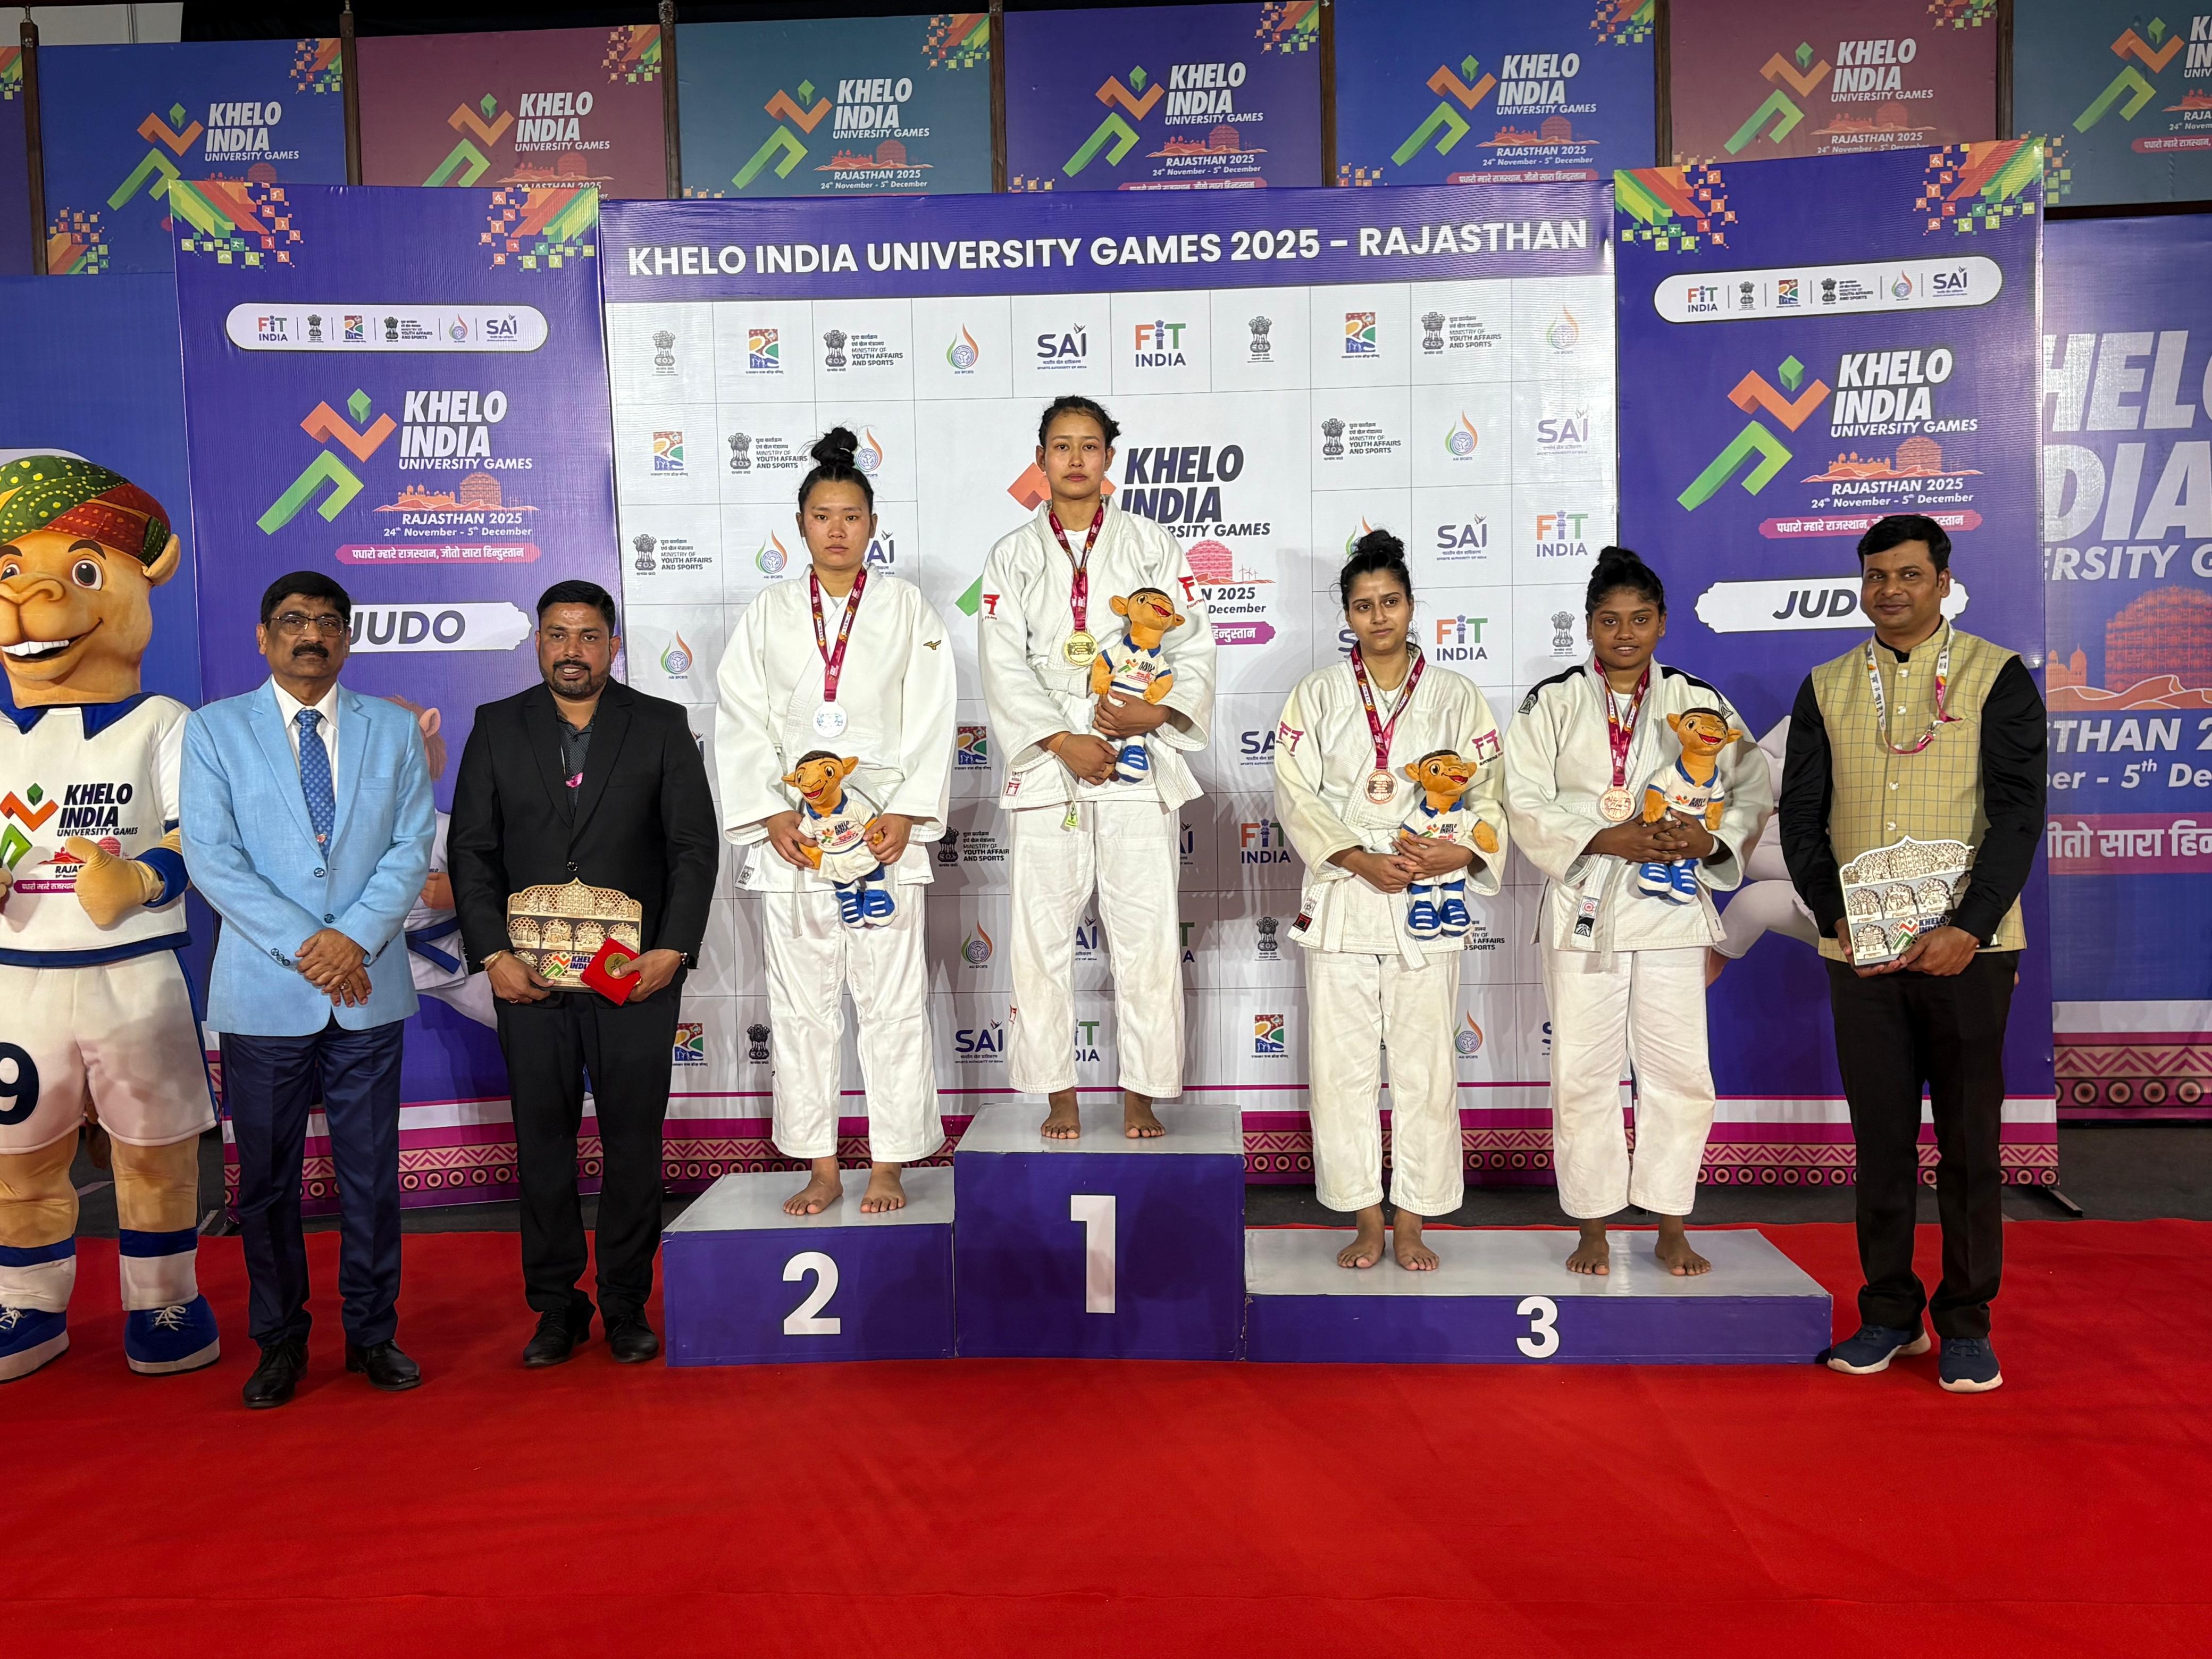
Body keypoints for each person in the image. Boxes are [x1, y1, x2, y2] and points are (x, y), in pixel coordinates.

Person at [1781, 514, 2044, 1394]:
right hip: (1861, 952)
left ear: (1943, 583)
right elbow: (1802, 817)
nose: (1889, 590)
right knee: (1883, 1142)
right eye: (1875, 575)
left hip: (1970, 948)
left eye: (1908, 575)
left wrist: (1970, 924)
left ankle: (1966, 1321)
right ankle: (1891, 1313)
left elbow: (2018, 813)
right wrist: (1836, 918)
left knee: (1969, 1144)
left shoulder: (1997, 675)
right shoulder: (1825, 685)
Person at [181, 571, 435, 1409]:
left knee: (371, 1178)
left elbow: (409, 849)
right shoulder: (216, 730)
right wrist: (311, 946)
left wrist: (351, 939)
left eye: (328, 622)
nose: (311, 635)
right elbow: (212, 857)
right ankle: (280, 1342)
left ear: (348, 639)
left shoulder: (392, 730)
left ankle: (373, 1335)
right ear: (264, 637)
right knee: (265, 1184)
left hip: (368, 986)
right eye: (293, 621)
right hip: (264, 992)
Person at [448, 580, 717, 1369]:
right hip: (529, 978)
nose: (573, 650)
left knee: (633, 1144)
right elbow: (472, 852)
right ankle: (556, 1308)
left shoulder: (661, 725)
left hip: (633, 976)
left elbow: (693, 848)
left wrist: (674, 949)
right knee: (544, 1146)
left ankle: (626, 1303)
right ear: (539, 642)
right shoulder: (496, 726)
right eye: (559, 635)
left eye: (589, 636)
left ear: (613, 645)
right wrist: (492, 955)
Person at [0, 456, 216, 1382]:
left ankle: (166, 1298)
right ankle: (27, 1303)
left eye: (82, 571)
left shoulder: (162, 721)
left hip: (135, 972)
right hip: (18, 979)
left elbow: (201, 837)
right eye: (11, 571)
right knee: (17, 1159)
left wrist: (142, 880)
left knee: (155, 1150)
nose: (32, 596)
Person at [1503, 548, 1771, 1278]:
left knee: (1678, 1069)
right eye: (1610, 620)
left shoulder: (1699, 701)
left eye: (1640, 619)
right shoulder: (1553, 702)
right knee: (1582, 1071)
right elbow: (1522, 798)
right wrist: (1603, 835)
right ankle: (1592, 1223)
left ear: (1663, 623)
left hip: (1671, 905)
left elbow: (1751, 788)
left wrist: (1709, 839)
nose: (1625, 634)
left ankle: (1671, 1221)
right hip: (1586, 902)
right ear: (1589, 625)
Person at [715, 429, 956, 1217]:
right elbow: (741, 719)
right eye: (822, 516)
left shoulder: (906, 607)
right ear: (800, 526)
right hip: (797, 840)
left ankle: (889, 1162)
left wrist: (909, 810)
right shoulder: (769, 612)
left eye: (851, 516)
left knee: (892, 1005)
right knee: (801, 1009)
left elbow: (932, 713)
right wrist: (769, 811)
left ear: (872, 524)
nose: (838, 530)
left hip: (882, 833)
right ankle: (821, 1165)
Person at [977, 396, 1215, 1141]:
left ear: (1110, 458)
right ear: (1040, 460)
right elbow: (1001, 661)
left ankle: (1144, 1091)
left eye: (1089, 446)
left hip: (1135, 753)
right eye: (1062, 446)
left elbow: (1193, 645)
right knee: (1040, 938)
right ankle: (1058, 1092)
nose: (1076, 459)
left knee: (1147, 934)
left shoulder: (1152, 545)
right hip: (1053, 762)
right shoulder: (1012, 555)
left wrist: (1158, 713)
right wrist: (1058, 738)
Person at [1272, 531, 1507, 1271]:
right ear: (1347, 614)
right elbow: (1294, 793)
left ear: (1411, 606)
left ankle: (1413, 1218)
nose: (1379, 617)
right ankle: (1365, 1216)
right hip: (1347, 892)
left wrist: (1460, 851)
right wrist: (1355, 857)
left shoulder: (1456, 695)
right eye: (1364, 606)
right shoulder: (1317, 694)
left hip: (1428, 892)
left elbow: (1491, 796)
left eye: (1391, 602)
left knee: (1425, 1068)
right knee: (1342, 1070)